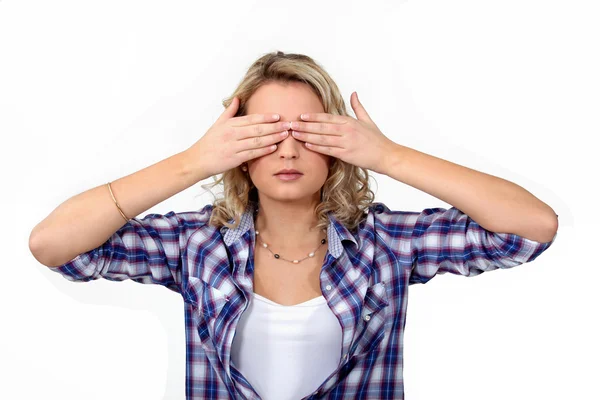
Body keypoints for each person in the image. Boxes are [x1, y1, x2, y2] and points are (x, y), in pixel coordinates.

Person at [28, 50, 558, 400]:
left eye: (308, 131)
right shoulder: (197, 244)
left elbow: (531, 228)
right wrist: (193, 161)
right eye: (266, 133)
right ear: (237, 148)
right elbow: (53, 244)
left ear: (337, 142)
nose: (287, 149)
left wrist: (390, 156)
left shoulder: (388, 244)